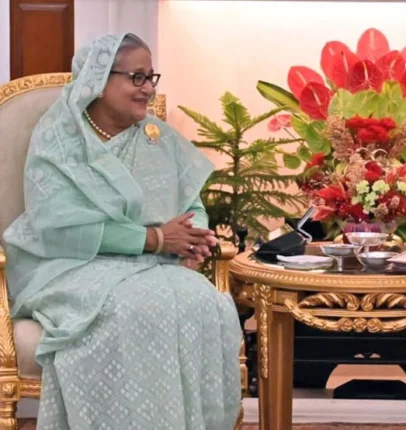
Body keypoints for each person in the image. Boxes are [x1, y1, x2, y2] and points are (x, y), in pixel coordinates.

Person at [2, 33, 242, 429]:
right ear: (99, 80)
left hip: (154, 266)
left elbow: (192, 205)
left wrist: (193, 238)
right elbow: (58, 226)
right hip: (68, 264)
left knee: (207, 303)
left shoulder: (156, 137)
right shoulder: (60, 139)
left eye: (151, 77)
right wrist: (155, 239)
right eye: (137, 77)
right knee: (131, 309)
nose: (148, 89)